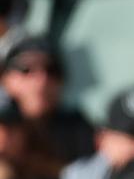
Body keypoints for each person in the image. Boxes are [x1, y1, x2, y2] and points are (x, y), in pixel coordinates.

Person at [1, 36, 95, 165]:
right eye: (26, 69)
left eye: (52, 70)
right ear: (5, 79)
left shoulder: (79, 130)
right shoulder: (4, 128)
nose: (42, 80)